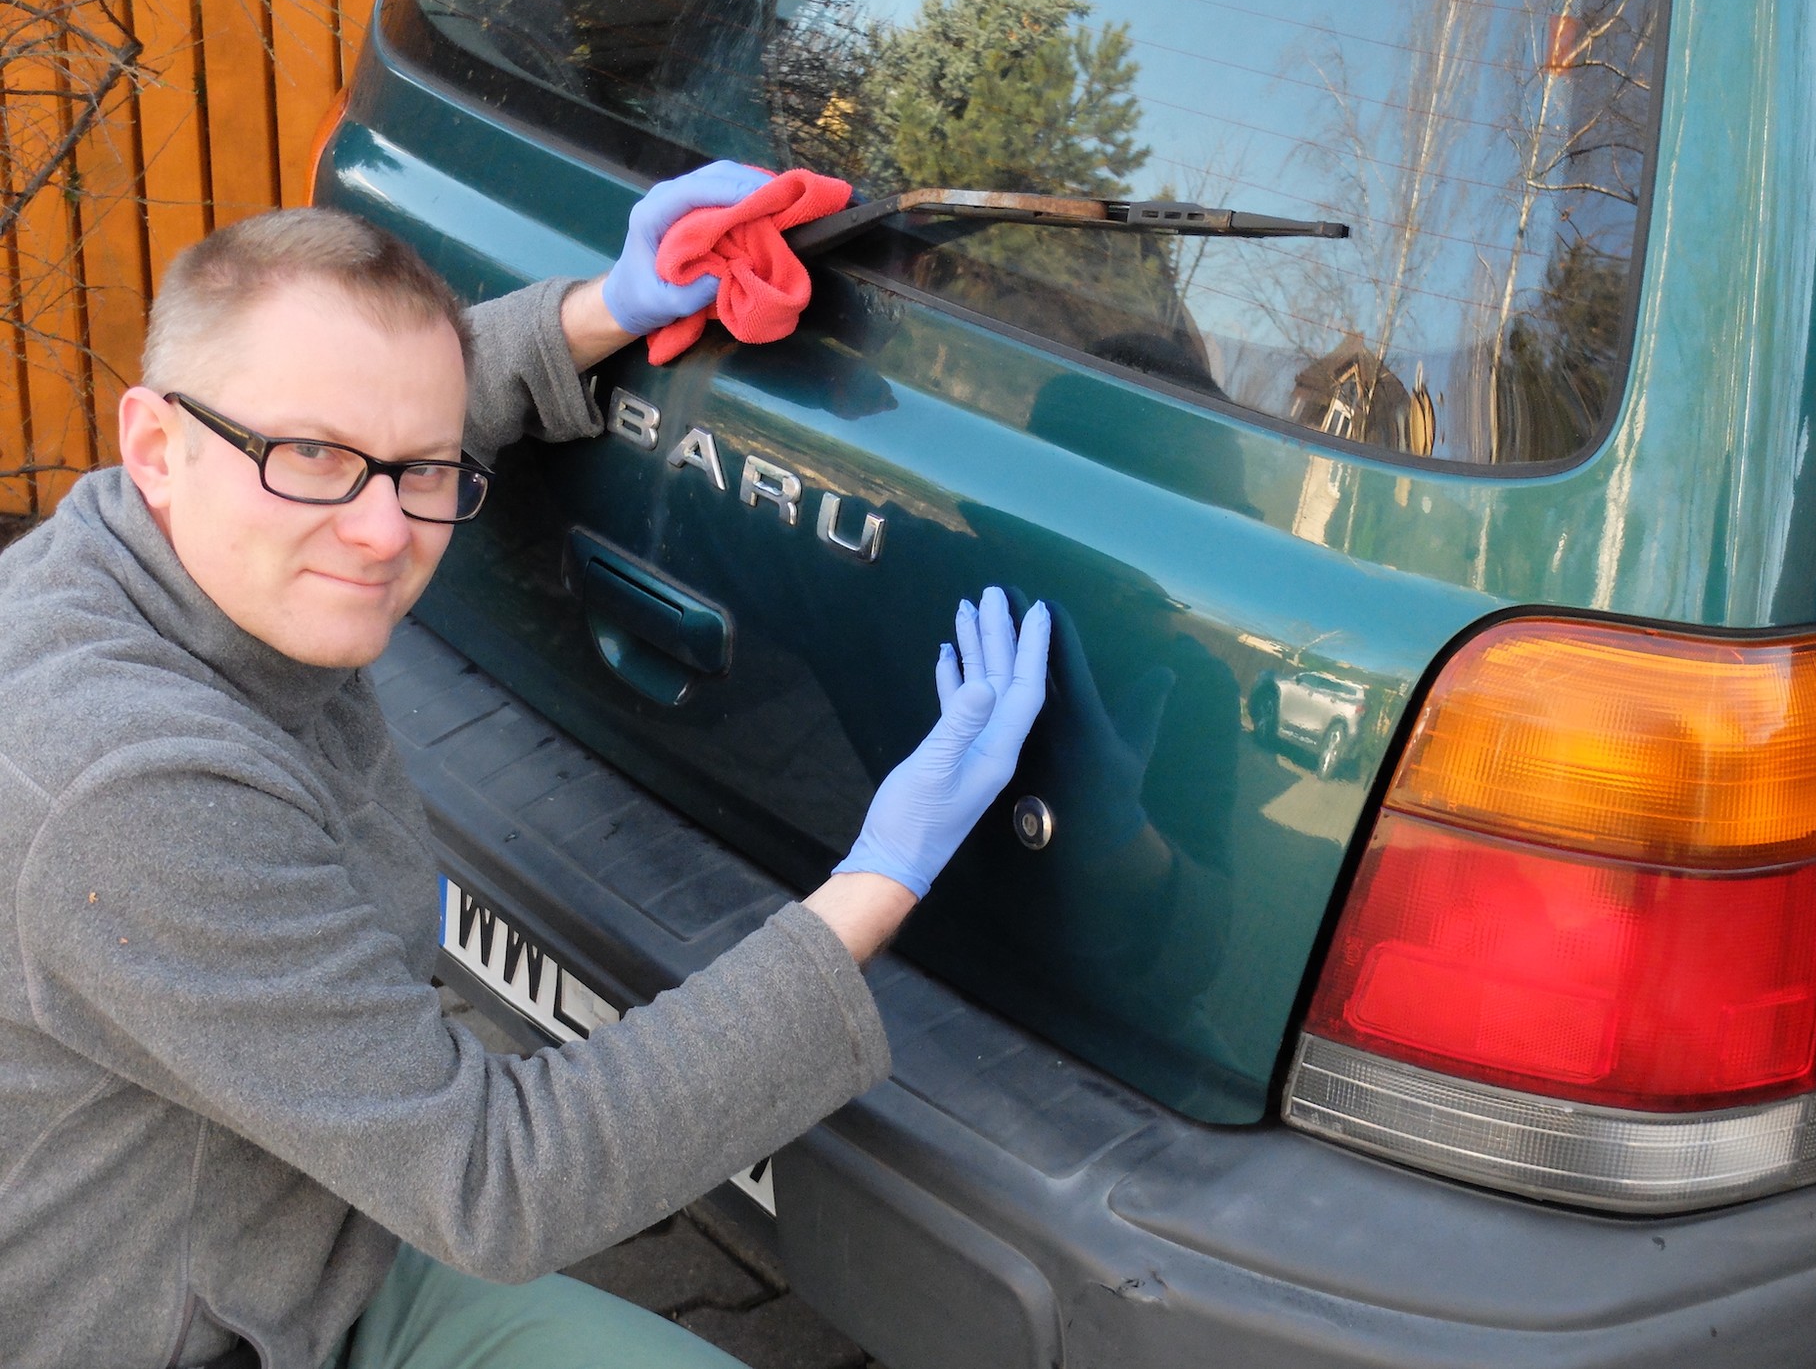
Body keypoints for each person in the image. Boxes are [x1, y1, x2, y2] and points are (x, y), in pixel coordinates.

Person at [0, 163, 1051, 1368]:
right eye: (319, 461)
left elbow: (380, 421)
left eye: (423, 470)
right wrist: (878, 876)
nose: (387, 530)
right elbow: (499, 1180)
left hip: (290, 1232)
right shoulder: (129, 790)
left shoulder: (153, 539)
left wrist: (610, 305)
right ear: (155, 443)